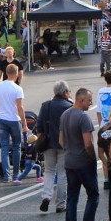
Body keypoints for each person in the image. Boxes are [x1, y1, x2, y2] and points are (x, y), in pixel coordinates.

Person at [60, 88, 100, 221]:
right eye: (89, 100)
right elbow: (88, 144)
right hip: (83, 162)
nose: (91, 103)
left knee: (72, 197)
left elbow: (61, 140)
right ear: (81, 100)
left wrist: (69, 151)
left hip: (69, 161)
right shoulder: (84, 118)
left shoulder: (65, 115)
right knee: (93, 195)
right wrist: (93, 158)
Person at [37, 81, 72, 213]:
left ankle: (46, 196)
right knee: (63, 173)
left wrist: (41, 137)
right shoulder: (69, 106)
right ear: (65, 93)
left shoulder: (46, 105)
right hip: (64, 144)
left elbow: (39, 125)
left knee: (49, 171)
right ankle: (60, 204)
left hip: (48, 143)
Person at [0, 64, 27, 184]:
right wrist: (25, 124)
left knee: (4, 148)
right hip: (14, 120)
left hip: (2, 120)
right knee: (17, 147)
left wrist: (1, 112)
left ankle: (6, 175)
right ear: (16, 74)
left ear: (6, 73)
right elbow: (20, 108)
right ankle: (16, 174)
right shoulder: (17, 89)